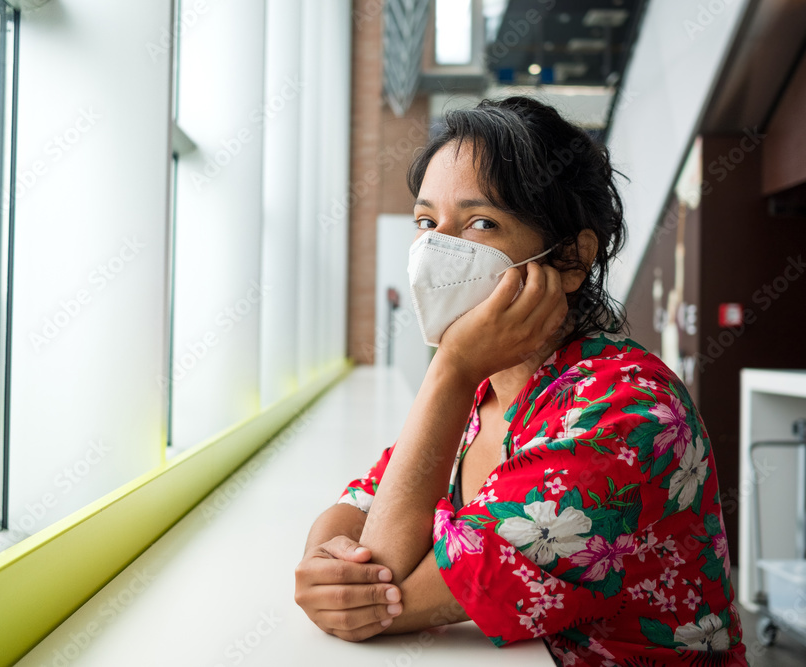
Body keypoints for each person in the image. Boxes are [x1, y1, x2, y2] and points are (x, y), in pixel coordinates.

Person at [293, 96, 747, 665]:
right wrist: (320, 564)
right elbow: (366, 503)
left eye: (481, 223)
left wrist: (451, 367)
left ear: (574, 259)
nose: (438, 250)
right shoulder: (490, 392)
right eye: (427, 222)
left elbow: (388, 584)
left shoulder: (626, 409)